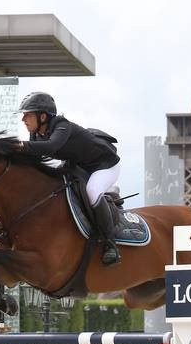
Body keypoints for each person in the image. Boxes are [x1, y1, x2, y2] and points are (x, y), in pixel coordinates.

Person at [17, 92, 123, 265]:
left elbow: (51, 147)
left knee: (93, 190)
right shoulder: (36, 135)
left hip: (105, 165)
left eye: (27, 115)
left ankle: (110, 244)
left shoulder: (62, 125)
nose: (23, 119)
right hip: (80, 166)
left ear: (42, 116)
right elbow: (34, 159)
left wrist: (20, 146)